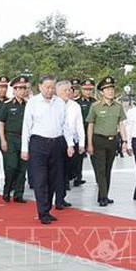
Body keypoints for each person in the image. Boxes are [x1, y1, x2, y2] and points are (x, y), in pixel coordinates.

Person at [21, 75, 74, 224]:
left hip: (56, 143)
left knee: (53, 179)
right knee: (40, 179)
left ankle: (47, 209)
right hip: (38, 143)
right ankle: (42, 212)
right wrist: (24, 149)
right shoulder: (33, 103)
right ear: (40, 87)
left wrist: (69, 144)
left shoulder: (59, 103)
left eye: (52, 87)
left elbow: (65, 125)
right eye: (47, 87)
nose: (50, 90)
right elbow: (26, 126)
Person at [86, 76, 127, 207]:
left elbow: (121, 124)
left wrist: (125, 141)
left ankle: (103, 195)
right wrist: (89, 144)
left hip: (112, 141)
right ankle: (103, 197)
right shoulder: (95, 106)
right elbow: (90, 125)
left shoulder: (118, 107)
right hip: (98, 140)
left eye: (112, 89)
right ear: (102, 92)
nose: (110, 91)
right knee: (101, 170)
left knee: (108, 169)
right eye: (107, 89)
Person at [0, 76, 30, 203]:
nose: (22, 91)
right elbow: (1, 123)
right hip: (11, 138)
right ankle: (7, 190)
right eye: (19, 89)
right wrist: (3, 140)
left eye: (24, 88)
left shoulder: (29, 105)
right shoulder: (7, 105)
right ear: (14, 90)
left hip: (24, 139)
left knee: (23, 168)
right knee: (12, 166)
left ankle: (18, 194)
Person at [55, 80, 84, 209]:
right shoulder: (53, 104)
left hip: (72, 141)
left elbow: (79, 125)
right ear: (58, 92)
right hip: (57, 141)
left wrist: (82, 143)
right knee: (58, 171)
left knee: (69, 169)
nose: (68, 93)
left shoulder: (75, 106)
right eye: (64, 91)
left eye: (69, 90)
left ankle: (62, 195)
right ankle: (59, 198)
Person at [73, 78, 97, 186]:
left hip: (93, 133)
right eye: (86, 89)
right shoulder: (76, 103)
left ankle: (98, 178)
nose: (88, 91)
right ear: (81, 89)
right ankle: (78, 177)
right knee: (78, 158)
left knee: (95, 157)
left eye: (90, 89)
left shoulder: (96, 103)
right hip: (81, 132)